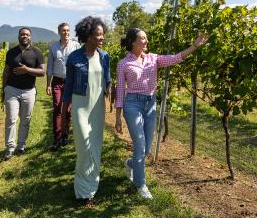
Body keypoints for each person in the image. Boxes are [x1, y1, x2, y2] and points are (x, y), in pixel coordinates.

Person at [114, 28, 208, 199]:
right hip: (132, 104)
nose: (146, 41)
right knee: (140, 145)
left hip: (150, 104)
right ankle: (140, 184)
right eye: (142, 39)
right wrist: (118, 117)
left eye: (146, 38)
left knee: (147, 149)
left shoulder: (153, 59)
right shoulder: (123, 64)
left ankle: (130, 163)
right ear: (133, 42)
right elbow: (120, 90)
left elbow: (176, 58)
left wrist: (194, 46)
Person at [61, 16, 112, 207]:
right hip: (81, 105)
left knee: (95, 148)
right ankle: (83, 190)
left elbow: (107, 79)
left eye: (102, 34)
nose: (102, 38)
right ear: (88, 36)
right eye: (98, 35)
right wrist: (64, 113)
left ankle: (88, 191)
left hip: (97, 107)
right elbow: (67, 89)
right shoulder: (74, 58)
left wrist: (111, 87)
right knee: (84, 150)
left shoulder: (105, 56)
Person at [2, 27, 45, 160]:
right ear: (18, 36)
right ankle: (10, 148)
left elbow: (42, 72)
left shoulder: (37, 52)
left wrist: (26, 70)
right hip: (12, 90)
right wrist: (3, 89)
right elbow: (6, 71)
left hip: (29, 91)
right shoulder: (11, 52)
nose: (24, 36)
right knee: (11, 119)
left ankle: (21, 146)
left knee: (25, 120)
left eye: (27, 34)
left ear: (30, 37)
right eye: (22, 34)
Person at [46, 22, 81, 151]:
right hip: (57, 81)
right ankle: (57, 138)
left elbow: (79, 64)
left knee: (68, 110)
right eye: (63, 31)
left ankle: (65, 135)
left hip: (71, 82)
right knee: (57, 107)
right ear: (59, 32)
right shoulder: (54, 47)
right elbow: (49, 66)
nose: (66, 33)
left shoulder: (76, 45)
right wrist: (48, 84)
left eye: (68, 30)